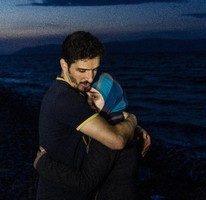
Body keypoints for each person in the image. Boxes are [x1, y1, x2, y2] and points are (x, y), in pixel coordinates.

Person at [36, 31, 150, 199]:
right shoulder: (67, 98)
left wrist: (134, 127)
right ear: (64, 65)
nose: (89, 78)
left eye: (94, 70)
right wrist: (132, 121)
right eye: (82, 70)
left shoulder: (77, 92)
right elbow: (116, 140)